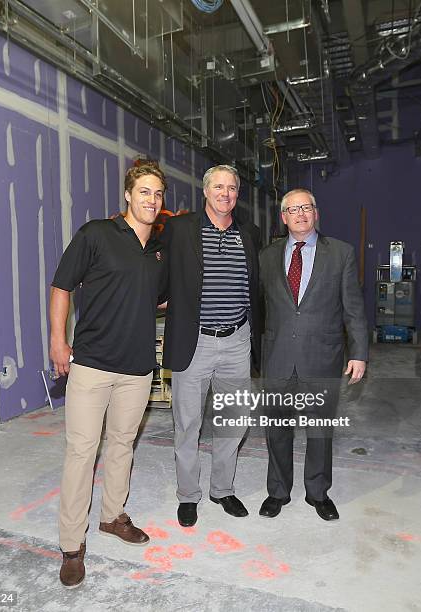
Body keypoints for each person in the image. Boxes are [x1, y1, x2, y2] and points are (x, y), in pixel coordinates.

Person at [49, 163, 166, 588]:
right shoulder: (96, 234)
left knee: (122, 444)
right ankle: (71, 545)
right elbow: (62, 286)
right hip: (93, 364)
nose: (151, 200)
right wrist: (58, 341)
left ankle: (113, 516)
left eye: (157, 193)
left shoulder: (158, 249)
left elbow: (159, 299)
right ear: (127, 196)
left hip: (137, 369)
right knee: (81, 453)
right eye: (144, 192)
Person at [259, 188, 368, 521]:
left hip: (322, 357)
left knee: (319, 429)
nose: (300, 214)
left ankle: (318, 493)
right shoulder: (266, 256)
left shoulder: (341, 254)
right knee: (277, 428)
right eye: (293, 209)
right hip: (277, 357)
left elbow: (353, 308)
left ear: (316, 213)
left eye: (306, 208)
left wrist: (359, 351)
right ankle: (277, 491)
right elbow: (257, 307)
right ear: (283, 217)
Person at [160, 164, 261, 527]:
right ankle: (188, 495)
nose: (225, 194)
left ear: (238, 194)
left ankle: (222, 489)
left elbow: (256, 287)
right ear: (205, 191)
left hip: (237, 340)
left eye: (232, 188)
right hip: (195, 340)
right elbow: (160, 272)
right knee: (188, 423)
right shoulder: (181, 228)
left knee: (235, 420)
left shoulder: (249, 232)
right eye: (218, 187)